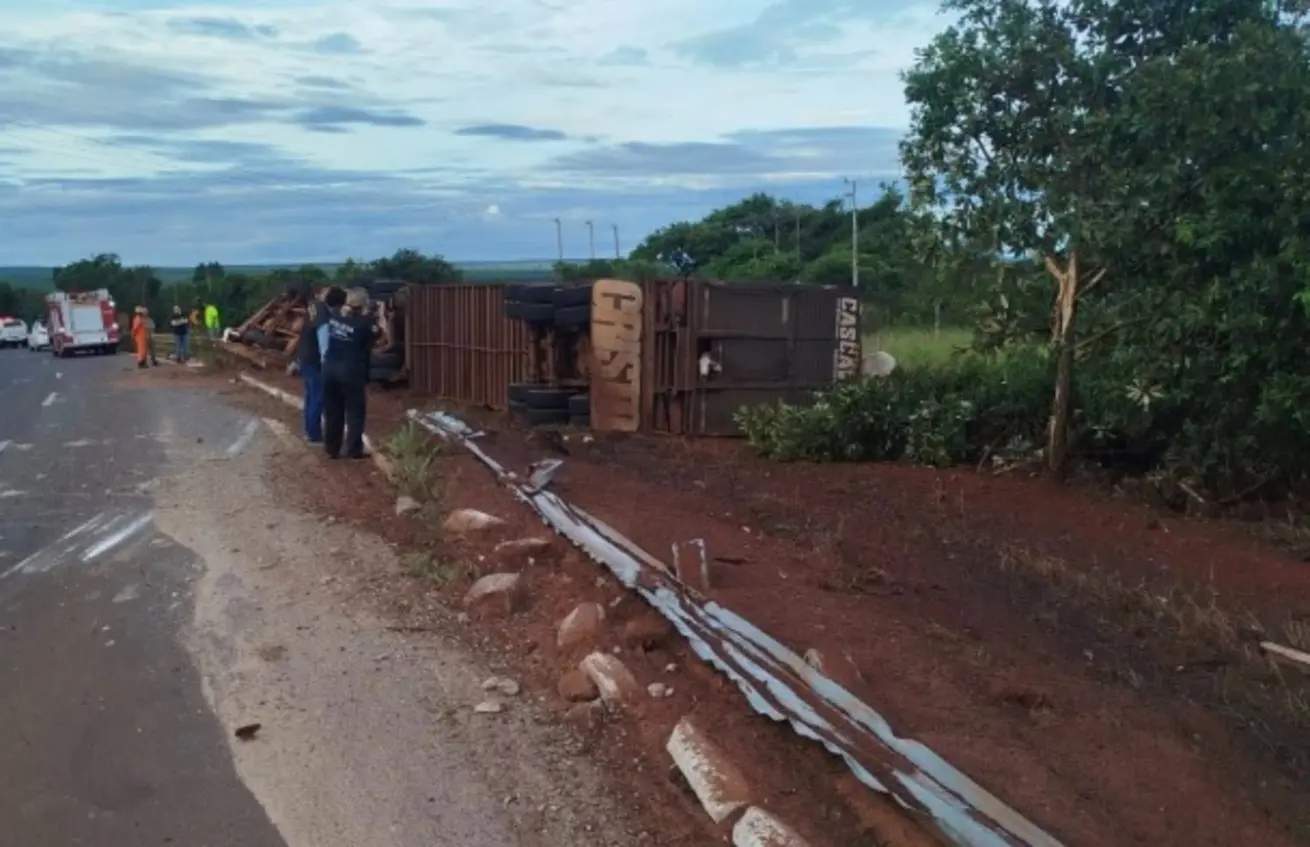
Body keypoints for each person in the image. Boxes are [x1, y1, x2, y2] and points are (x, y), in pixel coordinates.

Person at [321, 287, 377, 459]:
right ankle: (353, 449)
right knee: (355, 411)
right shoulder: (365, 324)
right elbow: (376, 338)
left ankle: (332, 448)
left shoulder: (334, 317)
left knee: (333, 411)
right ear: (363, 304)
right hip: (351, 371)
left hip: (329, 369)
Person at [296, 286, 346, 444]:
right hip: (314, 360)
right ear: (339, 304)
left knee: (310, 397)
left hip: (304, 357)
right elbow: (323, 340)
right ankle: (314, 434)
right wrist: (327, 362)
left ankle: (308, 430)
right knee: (318, 398)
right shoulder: (323, 316)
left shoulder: (314, 307)